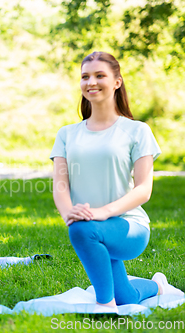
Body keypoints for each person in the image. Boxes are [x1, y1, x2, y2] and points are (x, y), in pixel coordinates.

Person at [50, 51, 183, 310]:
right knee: (128, 298)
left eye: (100, 75)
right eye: (85, 76)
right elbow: (60, 184)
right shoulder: (67, 134)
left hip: (128, 226)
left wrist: (101, 213)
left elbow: (143, 189)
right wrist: (69, 213)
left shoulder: (137, 130)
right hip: (93, 226)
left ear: (117, 82)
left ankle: (105, 307)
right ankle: (157, 286)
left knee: (82, 231)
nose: (91, 82)